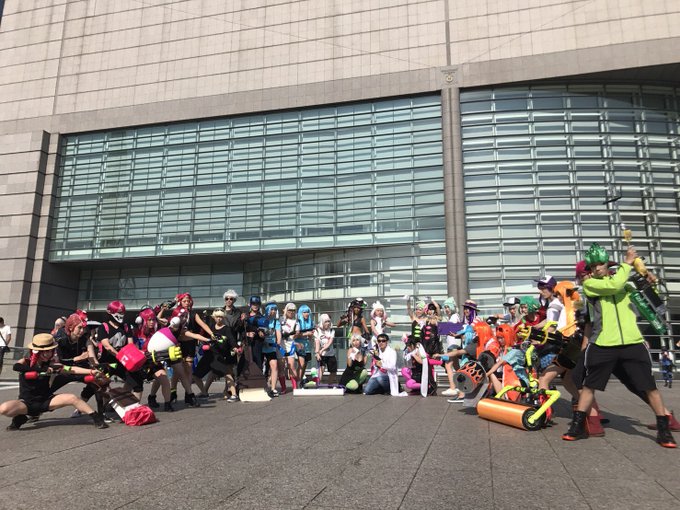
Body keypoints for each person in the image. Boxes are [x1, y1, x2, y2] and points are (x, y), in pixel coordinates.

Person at [562, 243, 676, 448]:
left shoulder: (624, 282)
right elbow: (613, 286)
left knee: (649, 387)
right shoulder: (591, 285)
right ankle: (578, 426)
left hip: (632, 343)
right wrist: (628, 263)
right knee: (589, 386)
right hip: (604, 343)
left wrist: (648, 280)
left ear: (607, 264)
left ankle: (664, 430)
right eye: (593, 266)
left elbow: (649, 299)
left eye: (600, 264)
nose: (596, 269)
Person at [0, 334, 108, 430]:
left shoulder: (51, 365)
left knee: (72, 398)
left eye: (50, 351)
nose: (48, 354)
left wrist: (91, 371)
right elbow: (16, 367)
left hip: (46, 401)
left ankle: (96, 417)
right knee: (4, 409)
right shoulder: (25, 361)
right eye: (44, 351)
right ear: (36, 351)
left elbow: (70, 369)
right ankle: (20, 417)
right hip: (26, 403)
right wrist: (40, 370)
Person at [315, 314, 337, 385]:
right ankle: (318, 384)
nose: (328, 323)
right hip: (322, 355)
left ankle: (330, 385)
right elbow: (317, 342)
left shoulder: (332, 331)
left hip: (330, 354)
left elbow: (330, 342)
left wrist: (322, 350)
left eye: (328, 321)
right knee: (321, 369)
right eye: (326, 322)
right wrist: (317, 353)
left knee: (333, 371)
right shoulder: (317, 331)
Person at [296, 305, 314, 386]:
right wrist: (307, 334)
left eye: (307, 312)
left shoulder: (311, 322)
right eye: (304, 312)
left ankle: (300, 381)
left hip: (307, 346)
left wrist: (311, 335)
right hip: (299, 345)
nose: (307, 314)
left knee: (305, 365)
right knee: (301, 364)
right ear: (301, 313)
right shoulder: (298, 321)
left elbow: (311, 335)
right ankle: (298, 383)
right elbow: (295, 335)